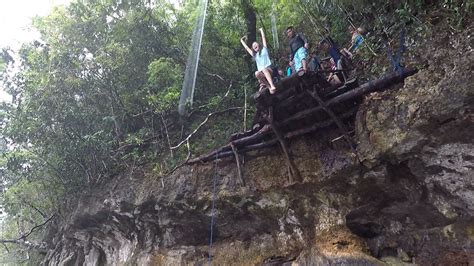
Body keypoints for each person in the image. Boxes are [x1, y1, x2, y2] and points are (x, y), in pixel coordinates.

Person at [240, 28, 277, 94]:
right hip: (262, 73)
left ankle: (272, 85)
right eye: (253, 46)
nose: (254, 45)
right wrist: (241, 40)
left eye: (255, 44)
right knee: (256, 73)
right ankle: (269, 87)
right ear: (253, 48)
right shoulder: (255, 55)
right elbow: (247, 48)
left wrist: (261, 31)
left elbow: (263, 38)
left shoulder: (264, 50)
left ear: (258, 45)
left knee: (264, 69)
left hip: (269, 69)